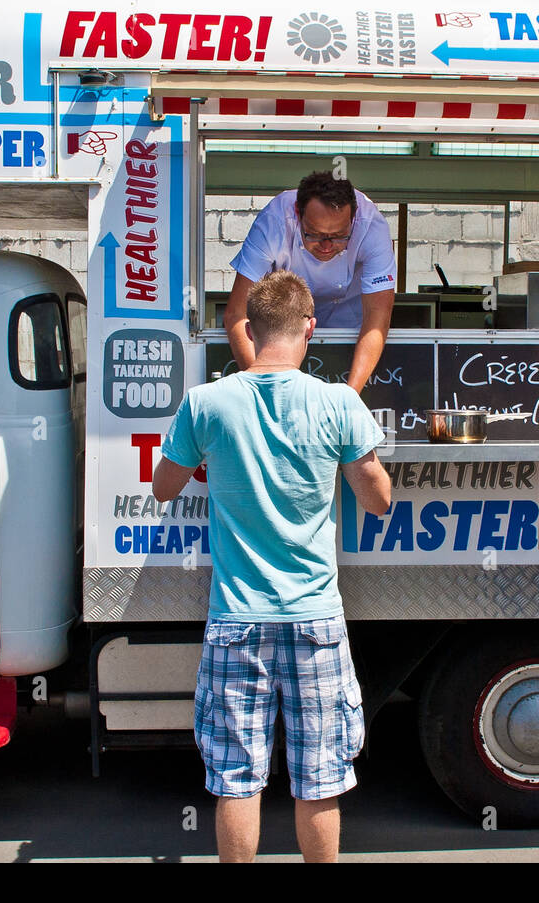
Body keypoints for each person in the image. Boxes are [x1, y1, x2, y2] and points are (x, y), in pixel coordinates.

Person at [153, 270, 392, 863]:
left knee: (237, 778)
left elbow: (163, 487)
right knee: (320, 778)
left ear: (250, 331)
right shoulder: (338, 402)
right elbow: (378, 500)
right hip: (315, 619)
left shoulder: (205, 403)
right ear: (309, 327)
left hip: (235, 619)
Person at [225, 171, 396, 393]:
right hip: (284, 325)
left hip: (349, 326)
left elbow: (377, 316)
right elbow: (236, 314)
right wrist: (263, 391)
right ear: (297, 213)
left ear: (353, 218)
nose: (326, 246)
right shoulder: (274, 221)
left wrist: (350, 397)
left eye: (339, 236)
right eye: (314, 234)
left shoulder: (373, 226)